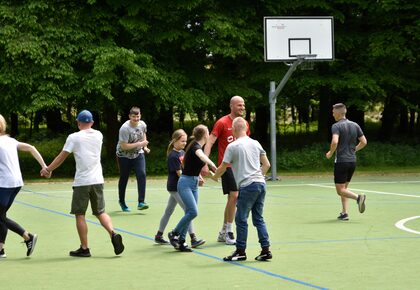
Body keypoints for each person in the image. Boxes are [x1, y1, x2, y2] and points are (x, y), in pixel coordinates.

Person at [40, 110, 124, 257]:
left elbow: (62, 157)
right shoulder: (99, 135)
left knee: (80, 214)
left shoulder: (74, 137)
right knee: (100, 212)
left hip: (82, 181)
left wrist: (48, 169)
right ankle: (113, 233)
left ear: (78, 122)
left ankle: (84, 248)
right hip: (98, 179)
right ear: (91, 122)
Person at [211, 117, 271, 261]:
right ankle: (265, 249)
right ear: (245, 128)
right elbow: (267, 165)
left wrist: (214, 176)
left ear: (234, 129)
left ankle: (240, 251)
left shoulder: (233, 146)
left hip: (247, 185)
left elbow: (224, 167)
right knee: (258, 219)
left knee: (241, 219)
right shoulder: (255, 143)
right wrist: (258, 176)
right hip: (261, 184)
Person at [202, 95, 250, 245]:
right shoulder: (222, 122)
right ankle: (229, 231)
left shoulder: (244, 124)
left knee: (232, 198)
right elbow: (209, 142)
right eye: (239, 105)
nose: (242, 107)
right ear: (231, 106)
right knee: (234, 196)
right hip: (227, 166)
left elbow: (246, 144)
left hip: (240, 167)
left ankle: (223, 231)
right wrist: (204, 163)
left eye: (243, 105)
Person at [0, 114, 46, 258]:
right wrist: (44, 166)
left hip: (4, 184)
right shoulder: (11, 141)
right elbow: (32, 148)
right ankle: (1, 250)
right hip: (16, 183)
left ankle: (28, 236)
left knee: (0, 217)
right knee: (1, 216)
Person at [168, 125, 217, 252]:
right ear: (205, 135)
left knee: (189, 212)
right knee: (193, 212)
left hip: (194, 183)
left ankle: (182, 241)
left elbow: (197, 166)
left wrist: (213, 175)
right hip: (185, 183)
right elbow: (202, 157)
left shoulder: (196, 146)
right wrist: (212, 165)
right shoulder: (195, 146)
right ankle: (174, 233)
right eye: (208, 133)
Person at [154, 129, 205, 248]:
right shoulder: (173, 155)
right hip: (176, 187)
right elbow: (180, 174)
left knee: (169, 211)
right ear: (175, 141)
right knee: (190, 211)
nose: (184, 143)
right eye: (182, 141)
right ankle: (193, 238)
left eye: (186, 141)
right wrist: (191, 180)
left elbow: (190, 168)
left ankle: (159, 235)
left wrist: (198, 176)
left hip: (181, 186)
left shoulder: (183, 152)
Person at [326, 103, 368, 221]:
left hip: (341, 162)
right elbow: (364, 142)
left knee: (340, 191)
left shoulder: (336, 126)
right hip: (352, 161)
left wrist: (330, 153)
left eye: (333, 112)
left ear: (339, 113)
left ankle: (358, 198)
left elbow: (335, 141)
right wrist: (354, 149)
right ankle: (344, 213)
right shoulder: (355, 125)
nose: (332, 114)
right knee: (345, 189)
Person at [116, 106, 150, 212]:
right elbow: (124, 146)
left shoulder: (142, 124)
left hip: (138, 153)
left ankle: (141, 202)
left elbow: (143, 134)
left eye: (138, 116)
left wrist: (144, 147)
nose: (136, 118)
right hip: (123, 155)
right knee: (124, 178)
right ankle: (122, 201)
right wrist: (140, 144)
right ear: (129, 116)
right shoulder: (124, 128)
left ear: (140, 116)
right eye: (134, 116)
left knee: (142, 174)